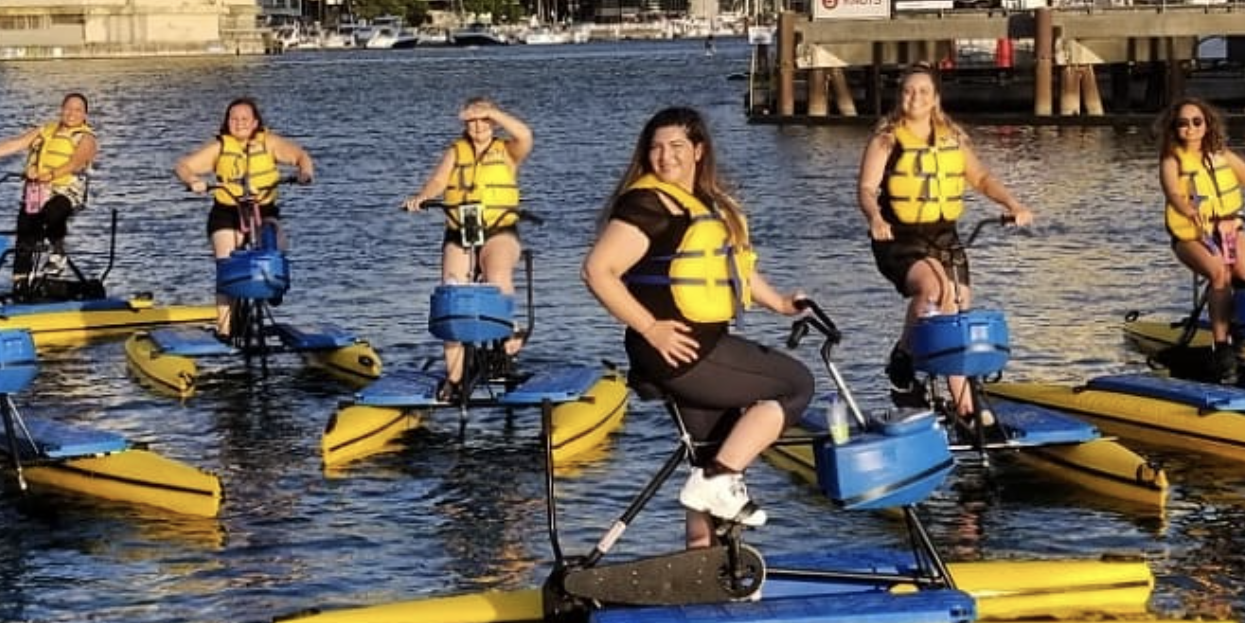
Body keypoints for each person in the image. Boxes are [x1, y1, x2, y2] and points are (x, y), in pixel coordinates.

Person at [582, 106, 813, 538]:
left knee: (707, 462)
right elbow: (597, 271)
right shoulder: (648, 204)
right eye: (655, 148)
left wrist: (780, 303)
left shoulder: (705, 204)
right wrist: (652, 327)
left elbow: (736, 268)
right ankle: (720, 479)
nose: (665, 157)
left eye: (676, 147)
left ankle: (704, 574)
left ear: (699, 151)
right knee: (796, 385)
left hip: (692, 348)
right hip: (683, 351)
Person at [857, 65, 1034, 419]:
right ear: (900, 96)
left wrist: (1012, 204)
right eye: (908, 91)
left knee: (958, 309)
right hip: (898, 235)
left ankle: (965, 406)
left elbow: (981, 178)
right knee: (935, 288)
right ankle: (903, 360)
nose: (915, 98)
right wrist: (875, 218)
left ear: (935, 98)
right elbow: (865, 189)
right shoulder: (887, 139)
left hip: (944, 234)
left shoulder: (952, 137)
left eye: (923, 91)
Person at [1160, 97, 1245, 382]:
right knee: (1219, 273)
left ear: (1206, 124)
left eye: (1197, 122)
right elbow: (1173, 193)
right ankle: (1221, 347)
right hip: (1192, 233)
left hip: (1228, 228)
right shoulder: (1171, 160)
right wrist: (1189, 209)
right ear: (1175, 128)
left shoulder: (1222, 155)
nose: (1191, 128)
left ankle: (1240, 339)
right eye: (1183, 123)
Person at [402, 97, 534, 394]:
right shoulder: (456, 151)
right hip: (460, 231)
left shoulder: (508, 150)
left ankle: (508, 334)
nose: (477, 127)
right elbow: (438, 181)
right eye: (471, 121)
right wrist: (422, 197)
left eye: (483, 120)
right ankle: (455, 377)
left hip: (499, 229)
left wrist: (494, 113)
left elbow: (525, 135)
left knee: (496, 272)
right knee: (452, 291)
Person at [174, 98, 315, 336]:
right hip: (227, 212)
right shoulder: (219, 147)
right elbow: (183, 166)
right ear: (227, 122)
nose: (239, 123)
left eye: (244, 119)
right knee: (225, 263)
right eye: (233, 118)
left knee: (276, 245)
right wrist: (193, 181)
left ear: (255, 122)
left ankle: (275, 288)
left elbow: (301, 156)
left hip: (264, 210)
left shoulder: (269, 143)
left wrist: (305, 173)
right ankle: (225, 329)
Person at [0, 91, 98, 292]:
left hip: (66, 192)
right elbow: (14, 144)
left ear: (85, 115)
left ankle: (58, 254)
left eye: (77, 110)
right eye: (67, 108)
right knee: (26, 228)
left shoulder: (86, 138)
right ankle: (20, 283)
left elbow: (76, 162)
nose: (71, 113)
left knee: (53, 211)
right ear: (61, 109)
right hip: (37, 190)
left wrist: (50, 175)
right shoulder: (45, 131)